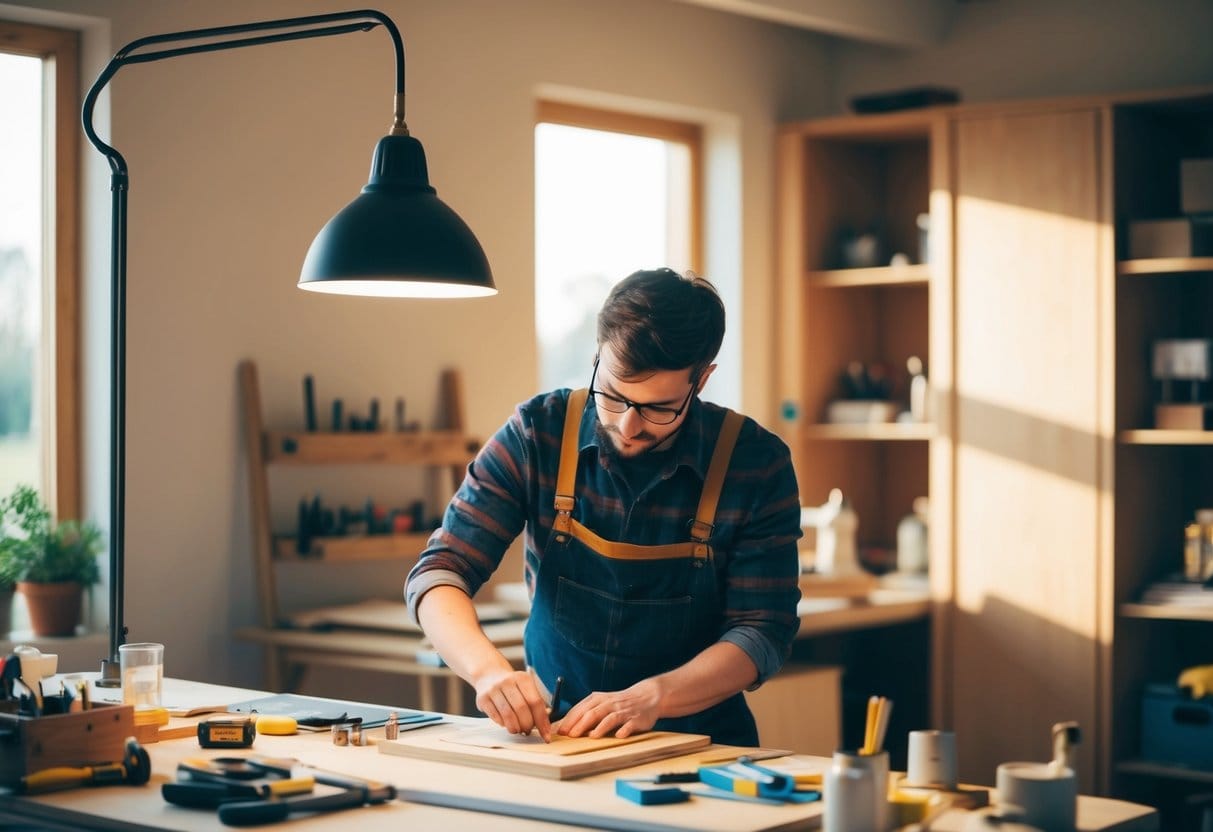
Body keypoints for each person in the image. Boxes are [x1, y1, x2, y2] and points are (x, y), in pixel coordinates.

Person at [404, 268, 801, 746]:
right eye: (612, 394)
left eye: (658, 408)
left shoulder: (755, 463)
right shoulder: (538, 434)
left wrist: (656, 696)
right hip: (556, 735)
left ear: (702, 379)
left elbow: (762, 631)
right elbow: (440, 571)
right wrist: (487, 672)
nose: (628, 426)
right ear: (597, 356)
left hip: (701, 744)